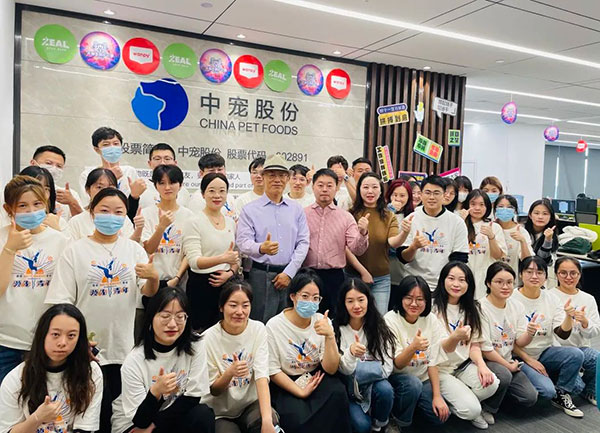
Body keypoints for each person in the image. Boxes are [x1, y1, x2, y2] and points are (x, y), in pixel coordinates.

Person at [45, 187, 160, 433]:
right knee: (89, 412)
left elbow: (148, 292)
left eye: (119, 212)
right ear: (92, 212)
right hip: (86, 350)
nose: (111, 217)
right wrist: (77, 341)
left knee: (116, 414)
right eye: (104, 210)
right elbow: (62, 304)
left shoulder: (133, 250)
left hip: (122, 347)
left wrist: (154, 277)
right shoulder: (75, 251)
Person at [110, 288, 215, 433]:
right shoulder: (134, 361)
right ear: (151, 318)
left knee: (202, 415)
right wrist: (155, 392)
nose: (172, 324)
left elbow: (193, 397)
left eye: (180, 316)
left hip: (168, 418)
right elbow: (140, 420)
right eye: (165, 316)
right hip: (133, 424)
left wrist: (155, 425)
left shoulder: (196, 346)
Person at [0, 175, 69, 383]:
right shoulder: (2, 238)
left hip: (46, 342)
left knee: (42, 399)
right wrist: (10, 249)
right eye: (22, 205)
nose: (31, 211)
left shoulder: (61, 241)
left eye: (37, 204)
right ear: (8, 209)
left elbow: (65, 295)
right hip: (6, 341)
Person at [266, 269, 351, 433]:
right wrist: (300, 391)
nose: (310, 302)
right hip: (287, 380)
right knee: (296, 418)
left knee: (338, 394)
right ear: (293, 296)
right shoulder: (274, 325)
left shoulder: (322, 321)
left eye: (315, 298)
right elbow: (273, 370)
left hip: (315, 376)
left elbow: (331, 369)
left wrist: (330, 336)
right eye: (305, 296)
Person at [0, 304, 103, 432]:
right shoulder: (17, 378)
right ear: (42, 335)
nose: (62, 343)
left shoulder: (90, 372)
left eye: (71, 335)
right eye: (55, 334)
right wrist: (37, 418)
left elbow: (85, 428)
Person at [236, 154, 309, 323]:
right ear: (263, 177)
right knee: (260, 323)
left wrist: (289, 273)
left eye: (281, 175)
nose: (277, 180)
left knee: (288, 324)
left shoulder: (296, 209)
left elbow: (303, 242)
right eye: (271, 175)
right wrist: (261, 248)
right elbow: (243, 242)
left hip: (290, 274)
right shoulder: (250, 209)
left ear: (287, 179)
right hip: (261, 275)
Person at [202, 280, 280, 433]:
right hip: (220, 412)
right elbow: (214, 390)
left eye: (245, 305)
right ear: (221, 307)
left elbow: (262, 377)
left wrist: (267, 421)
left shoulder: (258, 329)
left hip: (249, 405)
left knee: (269, 420)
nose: (240, 311)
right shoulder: (207, 339)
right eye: (233, 305)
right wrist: (230, 373)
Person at [512, 256, 585, 417]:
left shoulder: (551, 298)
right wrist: (529, 360)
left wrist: (568, 316)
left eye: (539, 272)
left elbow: (562, 334)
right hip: (519, 356)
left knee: (576, 355)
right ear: (521, 274)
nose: (534, 276)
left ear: (546, 276)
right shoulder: (511, 298)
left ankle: (562, 393)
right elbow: (508, 341)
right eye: (529, 272)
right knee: (546, 391)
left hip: (544, 352)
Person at [433, 262, 500, 430]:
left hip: (462, 365)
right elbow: (444, 349)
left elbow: (475, 345)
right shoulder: (432, 307)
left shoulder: (472, 308)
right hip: (440, 369)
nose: (456, 284)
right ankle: (471, 409)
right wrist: (455, 337)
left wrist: (482, 365)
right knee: (471, 410)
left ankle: (466, 401)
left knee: (492, 382)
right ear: (442, 280)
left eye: (462, 280)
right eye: (451, 278)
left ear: (469, 284)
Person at [384, 276, 449, 426]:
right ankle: (398, 421)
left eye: (420, 299)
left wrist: (437, 396)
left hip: (423, 378)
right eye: (409, 298)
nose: (414, 303)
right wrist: (413, 347)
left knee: (440, 417)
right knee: (413, 385)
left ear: (427, 301)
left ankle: (414, 404)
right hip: (399, 378)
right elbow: (398, 364)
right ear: (400, 298)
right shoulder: (390, 319)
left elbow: (433, 360)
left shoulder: (431, 319)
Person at [303, 168, 368, 318]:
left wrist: (363, 233)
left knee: (334, 319)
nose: (324, 189)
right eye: (320, 185)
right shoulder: (302, 214)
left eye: (329, 185)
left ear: (337, 187)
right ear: (313, 187)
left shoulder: (346, 217)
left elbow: (357, 249)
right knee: (307, 318)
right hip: (307, 274)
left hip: (335, 277)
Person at [335, 278, 397, 433]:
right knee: (362, 426)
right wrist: (351, 353)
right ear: (343, 303)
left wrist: (360, 373)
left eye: (361, 300)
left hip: (374, 384)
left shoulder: (379, 326)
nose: (356, 306)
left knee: (385, 390)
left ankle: (379, 425)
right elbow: (343, 370)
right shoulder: (335, 328)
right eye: (350, 301)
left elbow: (387, 368)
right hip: (347, 389)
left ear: (368, 300)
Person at [480, 262, 539, 419]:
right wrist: (508, 366)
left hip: (508, 359)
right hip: (486, 361)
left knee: (530, 397)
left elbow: (520, 342)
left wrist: (530, 333)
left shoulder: (516, 306)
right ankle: (488, 408)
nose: (505, 287)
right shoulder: (480, 307)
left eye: (509, 282)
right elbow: (486, 350)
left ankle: (500, 393)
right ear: (488, 283)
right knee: (504, 375)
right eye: (499, 282)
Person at [183, 173, 239, 331]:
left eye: (222, 191)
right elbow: (194, 261)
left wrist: (230, 273)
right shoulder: (193, 221)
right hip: (201, 286)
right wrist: (223, 259)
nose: (217, 195)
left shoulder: (230, 222)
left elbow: (235, 256)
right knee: (201, 333)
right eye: (212, 191)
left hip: (226, 285)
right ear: (203, 194)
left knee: (226, 331)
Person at [399, 175, 469, 290]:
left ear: (444, 195)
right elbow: (403, 258)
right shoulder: (410, 219)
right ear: (421, 195)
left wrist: (448, 283)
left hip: (443, 286)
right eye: (427, 192)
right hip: (414, 284)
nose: (432, 197)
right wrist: (414, 247)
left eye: (436, 193)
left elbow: (460, 258)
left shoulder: (457, 222)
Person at [550, 257, 600, 405]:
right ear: (556, 274)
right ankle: (558, 383)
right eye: (563, 273)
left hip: (580, 349)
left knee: (597, 358)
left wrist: (585, 322)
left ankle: (589, 391)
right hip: (558, 351)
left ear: (579, 274)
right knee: (576, 387)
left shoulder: (588, 299)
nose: (568, 277)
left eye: (573, 273)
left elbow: (595, 331)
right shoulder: (549, 296)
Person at [142, 165, 194, 289]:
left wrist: (177, 278)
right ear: (155, 186)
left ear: (180, 185)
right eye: (162, 183)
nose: (167, 187)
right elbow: (149, 249)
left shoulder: (189, 216)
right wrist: (161, 227)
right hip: (151, 281)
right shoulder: (146, 213)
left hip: (179, 282)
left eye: (172, 182)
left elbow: (189, 252)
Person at [66, 168, 136, 241]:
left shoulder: (122, 219)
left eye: (110, 187)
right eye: (99, 187)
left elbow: (130, 245)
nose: (105, 191)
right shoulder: (76, 222)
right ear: (88, 190)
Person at [78, 127, 143, 206]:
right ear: (97, 149)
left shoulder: (130, 171)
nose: (112, 147)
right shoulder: (87, 174)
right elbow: (87, 204)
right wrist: (110, 178)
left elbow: (137, 202)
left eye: (116, 144)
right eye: (106, 145)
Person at [463, 189, 507, 299]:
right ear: (467, 205)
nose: (477, 208)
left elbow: (497, 256)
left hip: (486, 277)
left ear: (487, 207)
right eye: (473, 204)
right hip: (464, 276)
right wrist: (461, 222)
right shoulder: (460, 224)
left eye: (481, 205)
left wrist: (491, 237)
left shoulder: (494, 227)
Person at [30, 145, 83, 219]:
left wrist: (72, 203)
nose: (54, 169)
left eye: (59, 166)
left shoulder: (70, 195)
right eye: (48, 163)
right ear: (33, 163)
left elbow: (81, 223)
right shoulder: (18, 190)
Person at [385, 179, 414, 311]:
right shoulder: (384, 212)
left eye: (402, 195)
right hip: (384, 271)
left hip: (404, 271)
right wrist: (390, 210)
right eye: (394, 195)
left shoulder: (412, 216)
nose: (398, 199)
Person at [137, 143, 191, 210]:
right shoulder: (141, 188)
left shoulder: (183, 192)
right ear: (149, 163)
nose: (162, 163)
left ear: (175, 163)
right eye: (157, 159)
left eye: (167, 159)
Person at [188, 153, 236, 219]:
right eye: (211, 171)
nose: (216, 173)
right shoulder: (197, 199)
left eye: (220, 169)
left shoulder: (230, 197)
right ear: (201, 173)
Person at [494, 195, 533, 277]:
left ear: (515, 211)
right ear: (495, 209)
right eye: (501, 206)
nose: (505, 209)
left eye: (509, 207)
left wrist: (522, 241)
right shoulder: (490, 228)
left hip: (512, 277)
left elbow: (527, 261)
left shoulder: (521, 231)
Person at [19, 166, 66, 232]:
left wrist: (56, 229)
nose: (42, 193)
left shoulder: (58, 222)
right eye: (36, 188)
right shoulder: (8, 220)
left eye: (46, 189)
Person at [524, 199, 559, 287]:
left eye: (545, 214)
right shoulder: (522, 231)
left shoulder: (552, 235)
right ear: (530, 215)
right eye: (536, 213)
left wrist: (548, 240)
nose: (540, 217)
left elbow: (542, 259)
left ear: (551, 217)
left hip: (542, 276)